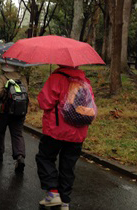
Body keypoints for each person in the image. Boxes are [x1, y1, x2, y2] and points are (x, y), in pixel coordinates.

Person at [35, 65, 96, 209]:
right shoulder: (85, 82)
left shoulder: (56, 78)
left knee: (45, 158)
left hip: (56, 130)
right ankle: (65, 201)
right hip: (78, 133)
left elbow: (44, 102)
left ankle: (53, 193)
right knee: (68, 166)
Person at [0, 64, 28, 173]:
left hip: (4, 110)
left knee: (0, 131)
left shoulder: (3, 78)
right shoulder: (22, 78)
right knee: (17, 133)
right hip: (19, 111)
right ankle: (20, 156)